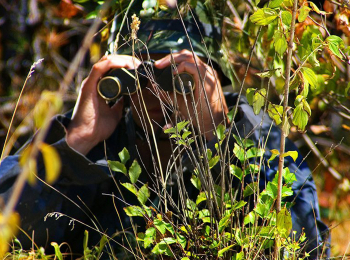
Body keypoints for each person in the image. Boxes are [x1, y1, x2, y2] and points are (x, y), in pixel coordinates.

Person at [0, 1, 329, 258]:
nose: (157, 91)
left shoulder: (255, 134)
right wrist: (76, 143)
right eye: (141, 74)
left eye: (179, 76)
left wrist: (217, 137)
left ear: (212, 76)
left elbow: (306, 248)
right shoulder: (94, 138)